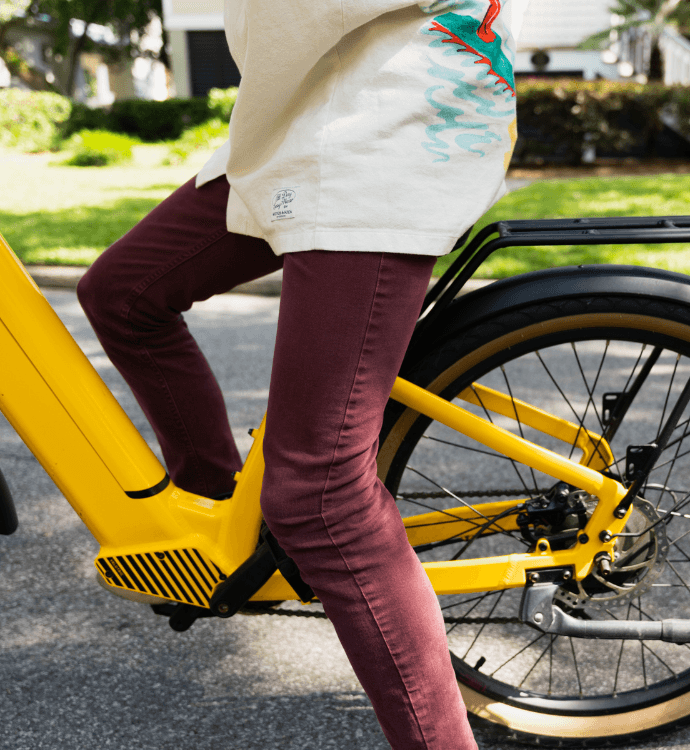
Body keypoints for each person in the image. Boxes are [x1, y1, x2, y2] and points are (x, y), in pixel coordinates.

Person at [76, 1, 522, 747]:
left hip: (387, 126)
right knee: (123, 295)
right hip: (318, 113)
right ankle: (226, 533)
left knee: (319, 493)